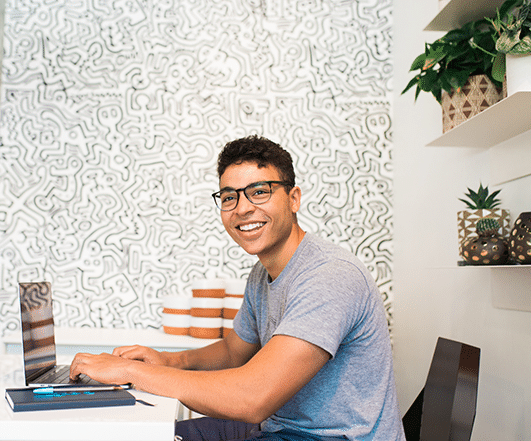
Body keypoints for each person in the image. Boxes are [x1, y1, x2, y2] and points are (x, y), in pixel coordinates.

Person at [70, 135, 406, 440]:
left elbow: (252, 397)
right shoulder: (262, 274)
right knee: (148, 435)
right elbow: (234, 351)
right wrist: (168, 361)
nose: (242, 208)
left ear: (294, 198)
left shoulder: (330, 276)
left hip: (331, 438)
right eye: (229, 197)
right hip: (281, 428)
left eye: (259, 191)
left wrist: (132, 371)